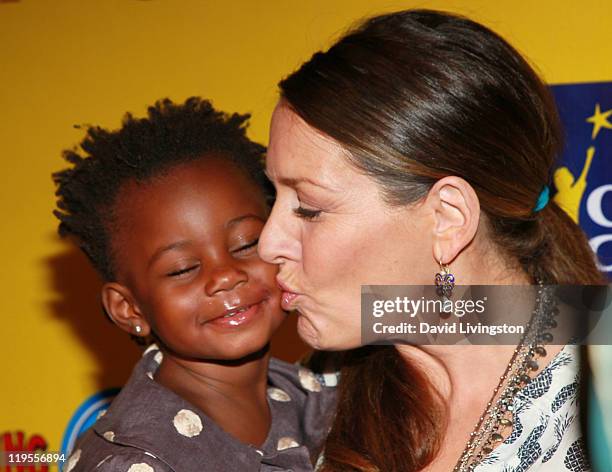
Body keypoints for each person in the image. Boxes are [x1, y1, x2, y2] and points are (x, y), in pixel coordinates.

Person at [258, 10, 603, 472]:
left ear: (448, 218)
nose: (268, 243)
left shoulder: (599, 394)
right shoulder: (314, 398)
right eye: (273, 197)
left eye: (309, 208)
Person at [53, 98, 336, 472]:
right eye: (182, 268)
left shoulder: (311, 389)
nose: (225, 276)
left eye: (246, 243)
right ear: (129, 308)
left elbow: (435, 316)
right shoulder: (132, 461)